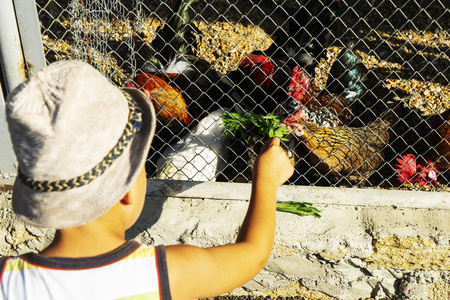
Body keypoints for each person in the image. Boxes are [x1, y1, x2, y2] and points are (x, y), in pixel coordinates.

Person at [0, 60, 294, 299]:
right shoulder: (161, 275)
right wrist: (266, 182)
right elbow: (252, 254)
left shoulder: (8, 282)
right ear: (126, 192)